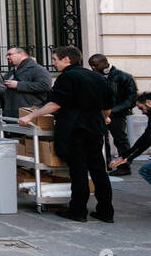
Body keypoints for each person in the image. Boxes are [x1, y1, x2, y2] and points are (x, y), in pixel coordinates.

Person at [19, 46, 114, 223]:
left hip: (74, 130)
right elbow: (107, 108)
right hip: (95, 129)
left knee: (78, 171)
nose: (53, 63)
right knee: (99, 170)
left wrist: (30, 116)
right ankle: (106, 211)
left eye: (55, 59)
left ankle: (78, 210)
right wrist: (103, 119)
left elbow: (55, 104)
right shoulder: (98, 77)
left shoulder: (67, 77)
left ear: (67, 59)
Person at [88, 54, 137, 175]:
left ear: (105, 62)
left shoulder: (124, 76)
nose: (93, 68)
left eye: (95, 65)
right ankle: (106, 163)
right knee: (102, 139)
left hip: (118, 114)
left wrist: (113, 110)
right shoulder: (93, 77)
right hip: (100, 113)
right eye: (91, 65)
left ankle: (124, 166)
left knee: (120, 140)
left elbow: (131, 99)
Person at [109, 91, 151, 210]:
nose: (143, 112)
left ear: (149, 103)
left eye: (141, 108)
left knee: (147, 171)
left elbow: (147, 138)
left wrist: (126, 157)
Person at [3, 46, 52, 115]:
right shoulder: (11, 72)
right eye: (6, 55)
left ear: (21, 54)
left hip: (29, 112)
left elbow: (45, 85)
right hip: (11, 112)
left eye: (10, 54)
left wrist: (18, 85)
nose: (7, 57)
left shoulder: (37, 69)